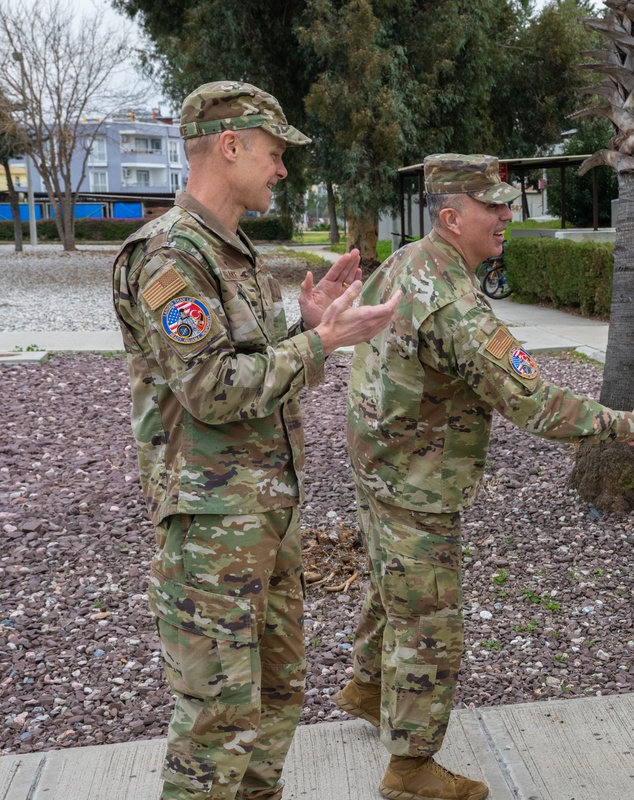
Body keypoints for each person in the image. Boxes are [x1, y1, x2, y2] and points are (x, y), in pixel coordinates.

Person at [337, 153, 634, 800]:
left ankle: (367, 688)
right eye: (492, 205)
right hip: (416, 479)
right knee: (430, 620)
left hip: (380, 462)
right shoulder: (455, 307)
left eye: (507, 201)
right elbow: (537, 404)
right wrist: (632, 428)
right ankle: (410, 767)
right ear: (451, 217)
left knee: (395, 585)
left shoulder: (410, 260)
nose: (506, 214)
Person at [112, 80, 400, 800]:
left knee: (275, 700)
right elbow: (211, 389)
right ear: (231, 146)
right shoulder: (169, 256)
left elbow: (247, 365)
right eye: (274, 154)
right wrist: (324, 344)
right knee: (217, 720)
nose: (281, 169)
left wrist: (305, 322)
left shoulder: (229, 249)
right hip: (212, 529)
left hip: (264, 515)